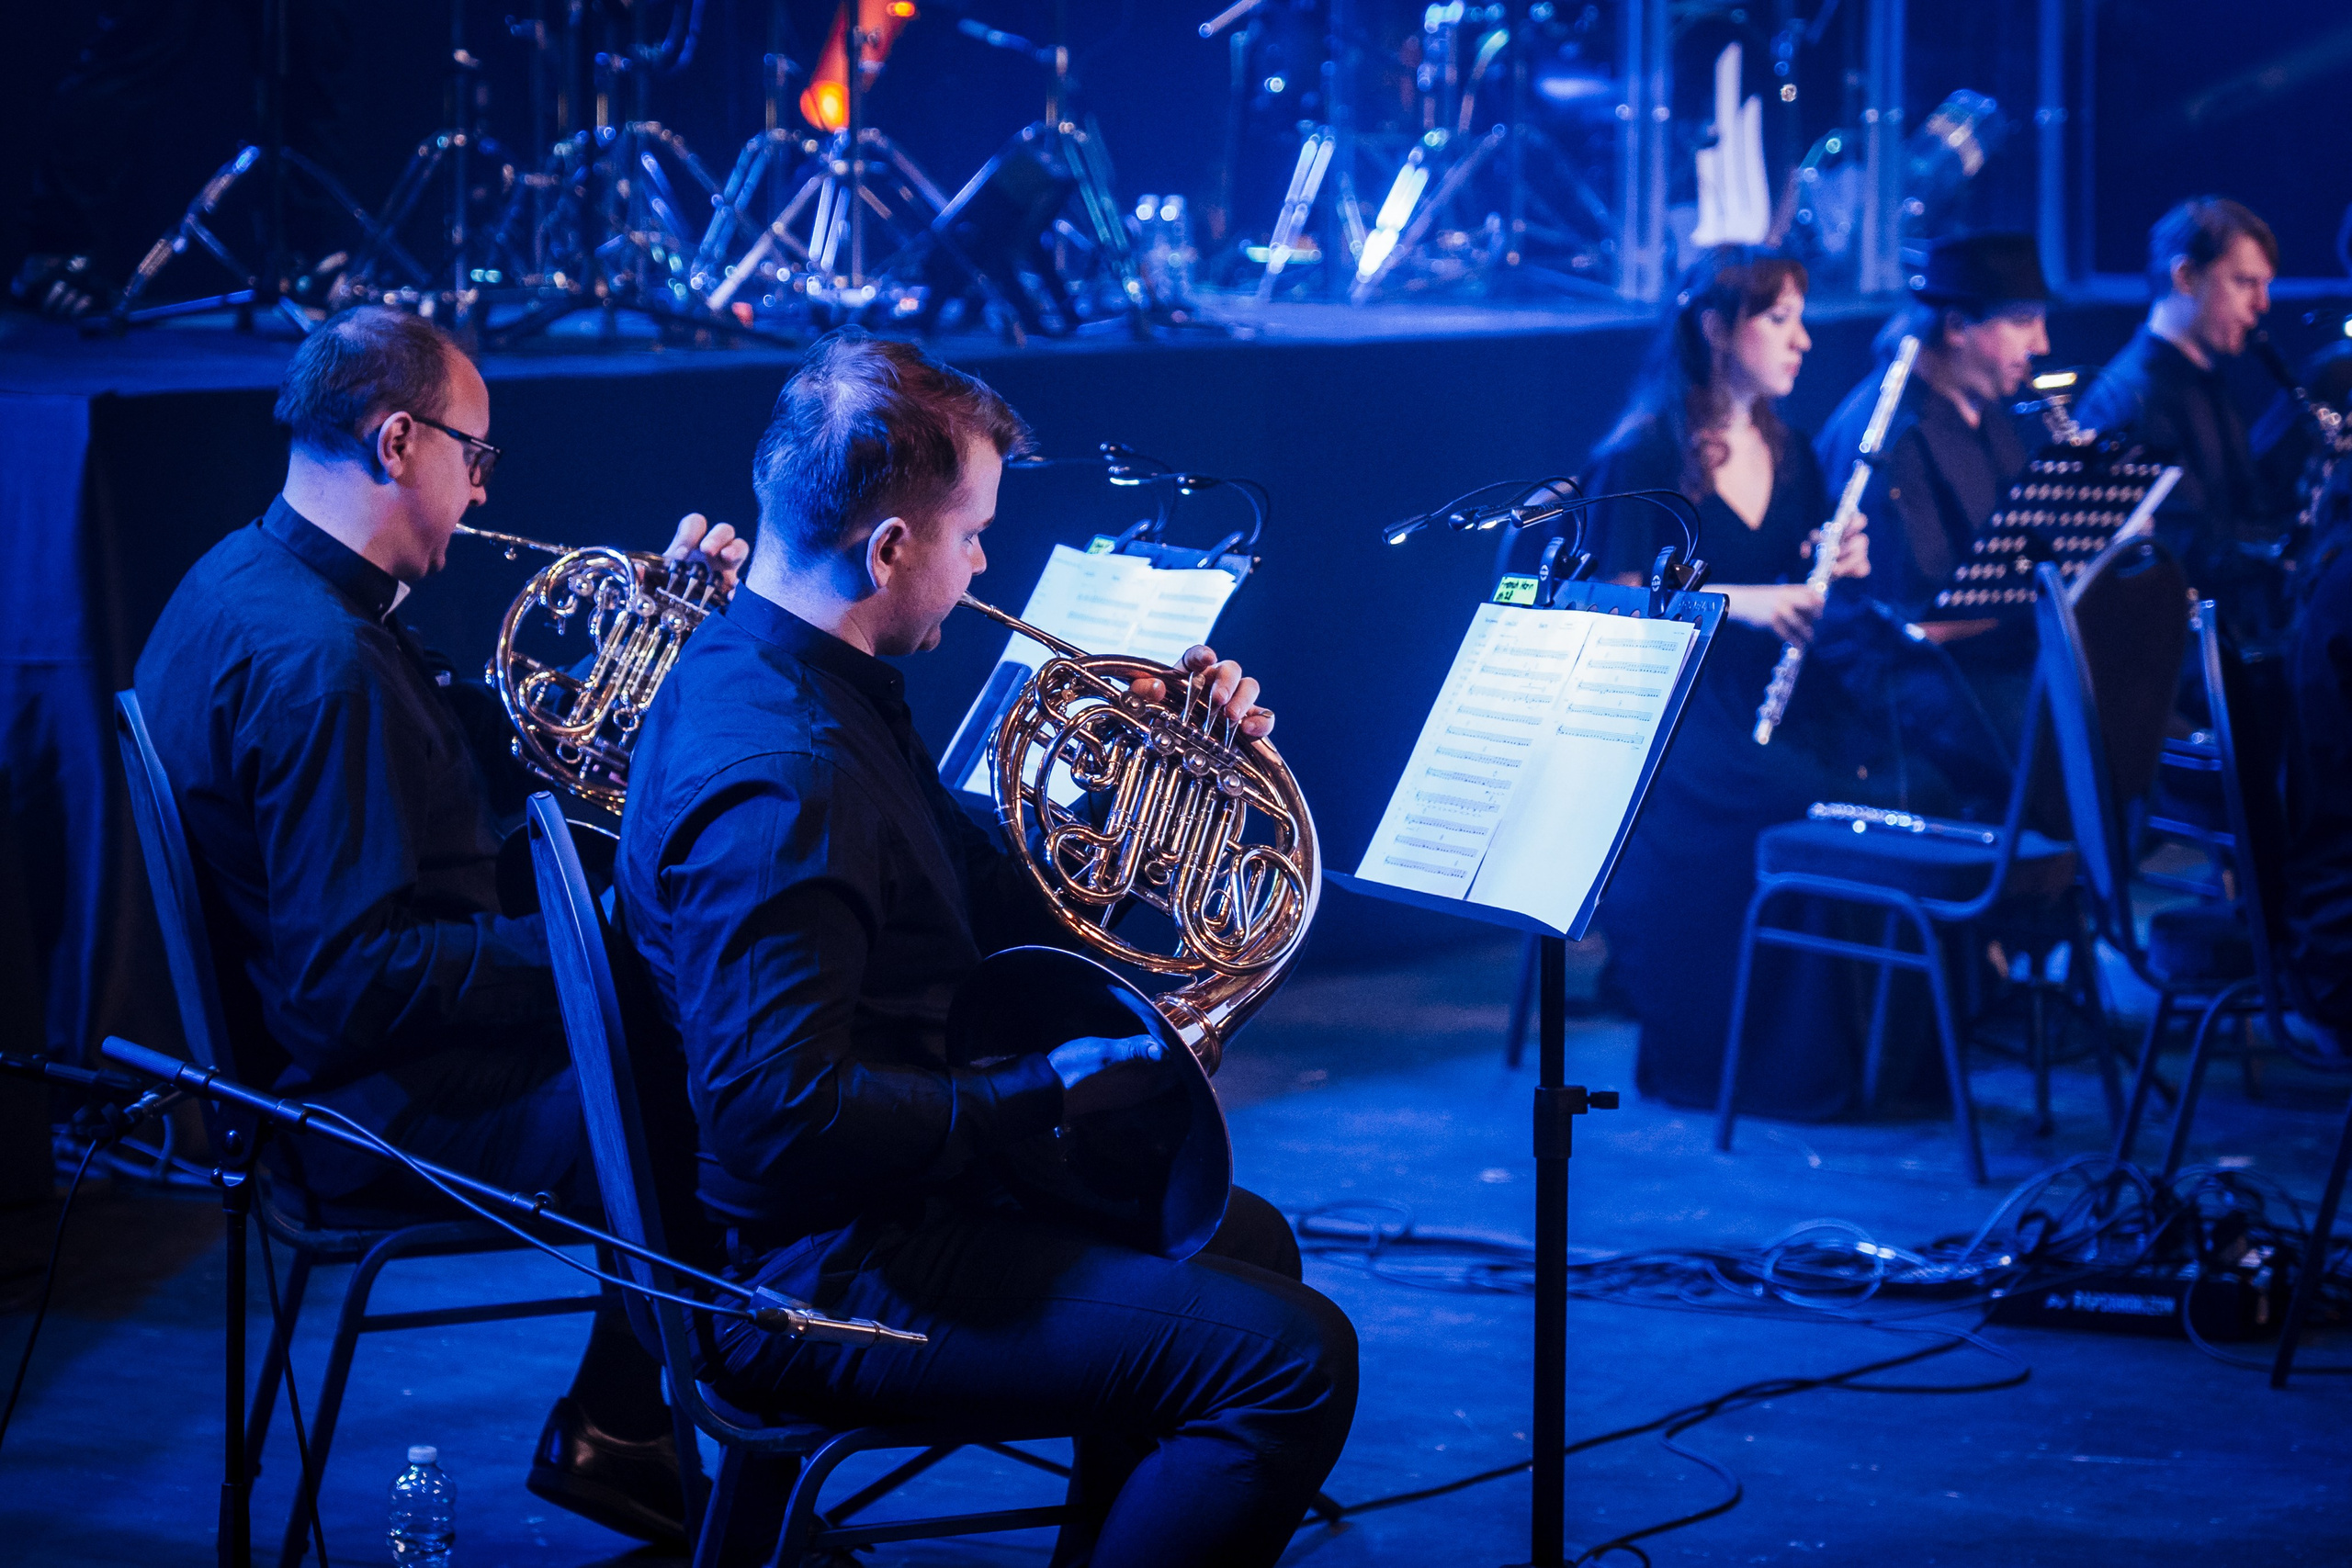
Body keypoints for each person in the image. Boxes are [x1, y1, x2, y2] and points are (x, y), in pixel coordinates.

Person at [614, 332, 1357, 1568]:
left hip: (869, 1209)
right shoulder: (787, 779)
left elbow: (983, 906)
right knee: (1291, 1361)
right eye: (969, 536)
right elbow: (777, 1117)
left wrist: (1163, 776)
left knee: (1247, 1245)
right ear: (888, 549)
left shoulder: (776, 671)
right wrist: (1042, 1092)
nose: (983, 564)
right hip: (820, 1274)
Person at [132, 306, 746, 1545]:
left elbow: (439, 763)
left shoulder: (239, 579)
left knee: (682, 1037)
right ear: (400, 440)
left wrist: (667, 649)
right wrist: (597, 944)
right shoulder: (323, 664)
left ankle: (629, 1420)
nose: (481, 493)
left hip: (325, 1080)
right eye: (477, 456)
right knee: (721, 1083)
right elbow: (352, 985)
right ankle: (639, 1426)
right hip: (368, 1113)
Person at [1506, 246, 1873, 1118]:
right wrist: (1748, 603)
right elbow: (1619, 606)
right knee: (1781, 799)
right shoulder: (1643, 455)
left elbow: (1799, 576)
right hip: (1671, 708)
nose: (1803, 341)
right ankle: (1743, 1061)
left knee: (1875, 783)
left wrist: (1836, 562)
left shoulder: (1792, 449)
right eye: (1778, 320)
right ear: (1716, 329)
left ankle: (1858, 1054)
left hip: (1772, 696)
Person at [1812, 231, 2054, 814]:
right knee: (2056, 741)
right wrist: (2049, 601)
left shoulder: (1989, 416)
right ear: (1957, 328)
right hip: (1901, 679)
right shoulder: (1889, 434)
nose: (2041, 345)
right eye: (2022, 322)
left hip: (1986, 658)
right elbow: (1915, 621)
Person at [2075, 197, 2294, 637]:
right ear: (2185, 277)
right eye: (2244, 282)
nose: (2262, 304)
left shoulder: (2207, 377)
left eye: (2265, 285)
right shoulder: (2128, 398)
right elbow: (2184, 547)